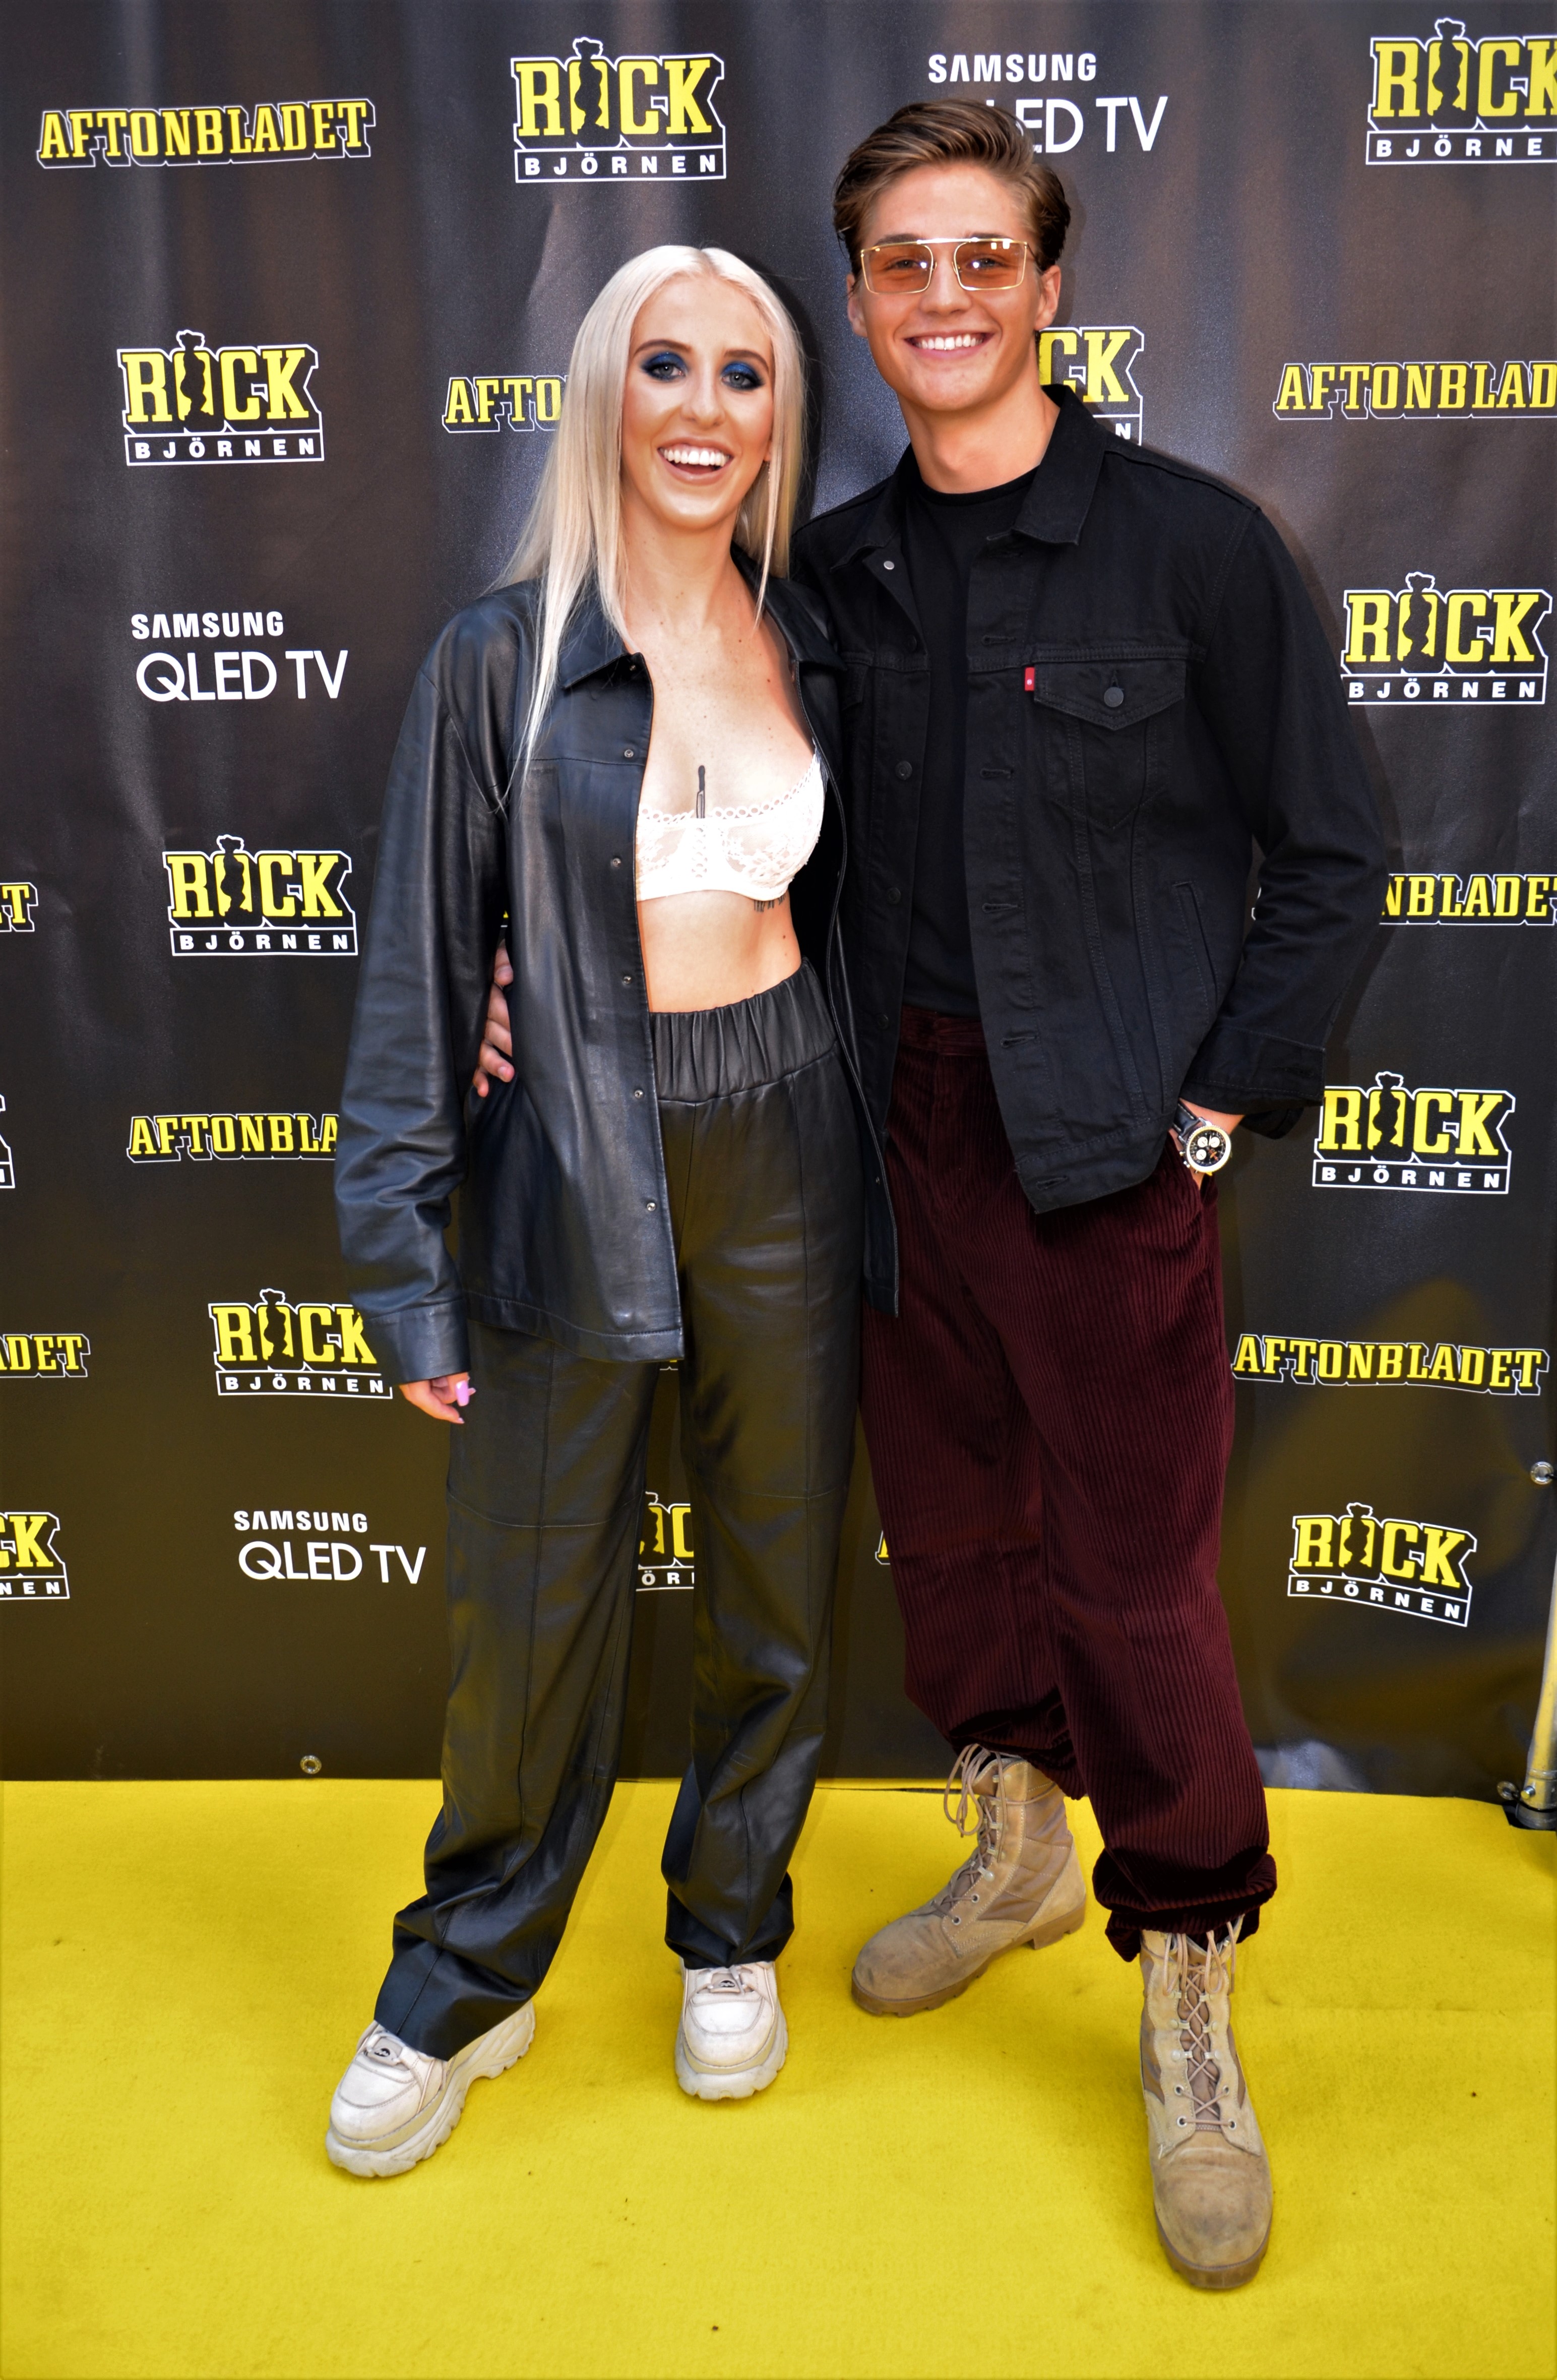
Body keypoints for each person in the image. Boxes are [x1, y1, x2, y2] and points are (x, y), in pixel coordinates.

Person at [476, 105, 1385, 2286]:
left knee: (1134, 1582)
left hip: (1103, 1148)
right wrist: (526, 972)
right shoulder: (834, 573)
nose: (945, 295)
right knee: (953, 1539)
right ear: (861, 300)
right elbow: (701, 804)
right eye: (903, 262)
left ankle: (1186, 1978)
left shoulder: (1193, 550)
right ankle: (1016, 1847)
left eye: (984, 257)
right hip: (870, 1140)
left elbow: (1336, 852)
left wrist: (1211, 1111)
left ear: (1048, 286)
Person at [327, 243, 868, 2178]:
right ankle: (464, 1978)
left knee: (775, 1583)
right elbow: (419, 970)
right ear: (603, 396)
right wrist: (404, 1268)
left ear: (777, 416)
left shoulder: (812, 637)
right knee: (532, 1607)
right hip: (570, 1144)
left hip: (789, 1134)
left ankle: (730, 1929)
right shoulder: (500, 654)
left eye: (744, 374)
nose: (704, 409)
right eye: (666, 366)